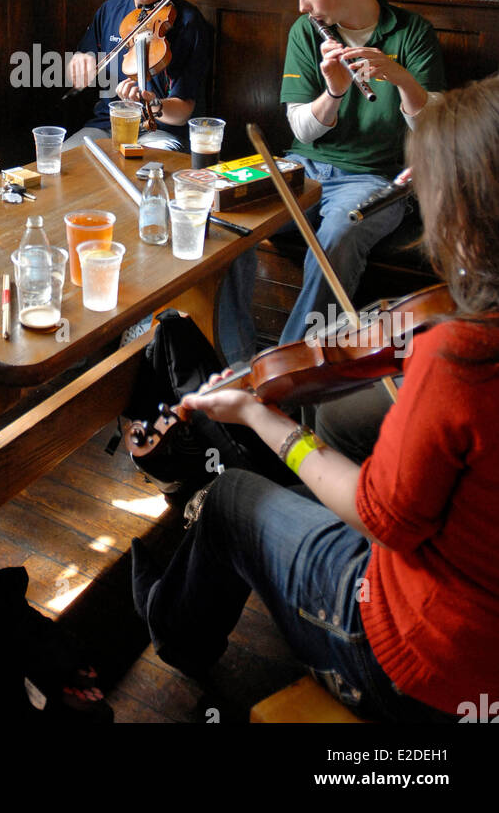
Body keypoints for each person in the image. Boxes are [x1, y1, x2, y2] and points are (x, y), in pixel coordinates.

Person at [132, 74, 499, 721]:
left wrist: (258, 415)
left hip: (418, 663)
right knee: (343, 422)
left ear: (471, 223)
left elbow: (380, 516)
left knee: (229, 501)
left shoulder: (461, 357)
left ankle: (173, 632)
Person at [274, 0, 444, 348]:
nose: (302, 6)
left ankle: (288, 366)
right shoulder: (306, 30)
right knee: (228, 217)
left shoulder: (411, 31)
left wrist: (400, 77)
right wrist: (332, 93)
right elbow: (301, 129)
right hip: (304, 166)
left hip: (373, 178)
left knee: (339, 233)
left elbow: (436, 130)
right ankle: (234, 356)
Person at [64, 0, 210, 154]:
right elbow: (82, 65)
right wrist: (78, 64)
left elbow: (183, 112)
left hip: (158, 132)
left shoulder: (189, 23)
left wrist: (153, 104)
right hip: (106, 126)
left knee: (149, 169)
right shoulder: (110, 10)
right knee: (63, 160)